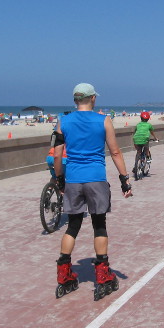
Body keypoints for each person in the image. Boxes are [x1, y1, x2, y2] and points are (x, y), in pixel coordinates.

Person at [53, 83, 132, 301]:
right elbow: (115, 151)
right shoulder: (103, 120)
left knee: (73, 225)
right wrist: (125, 180)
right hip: (96, 178)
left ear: (75, 100)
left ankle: (64, 273)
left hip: (74, 180)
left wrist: (60, 179)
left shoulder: (64, 121)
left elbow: (58, 155)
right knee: (99, 224)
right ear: (93, 99)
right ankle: (103, 274)